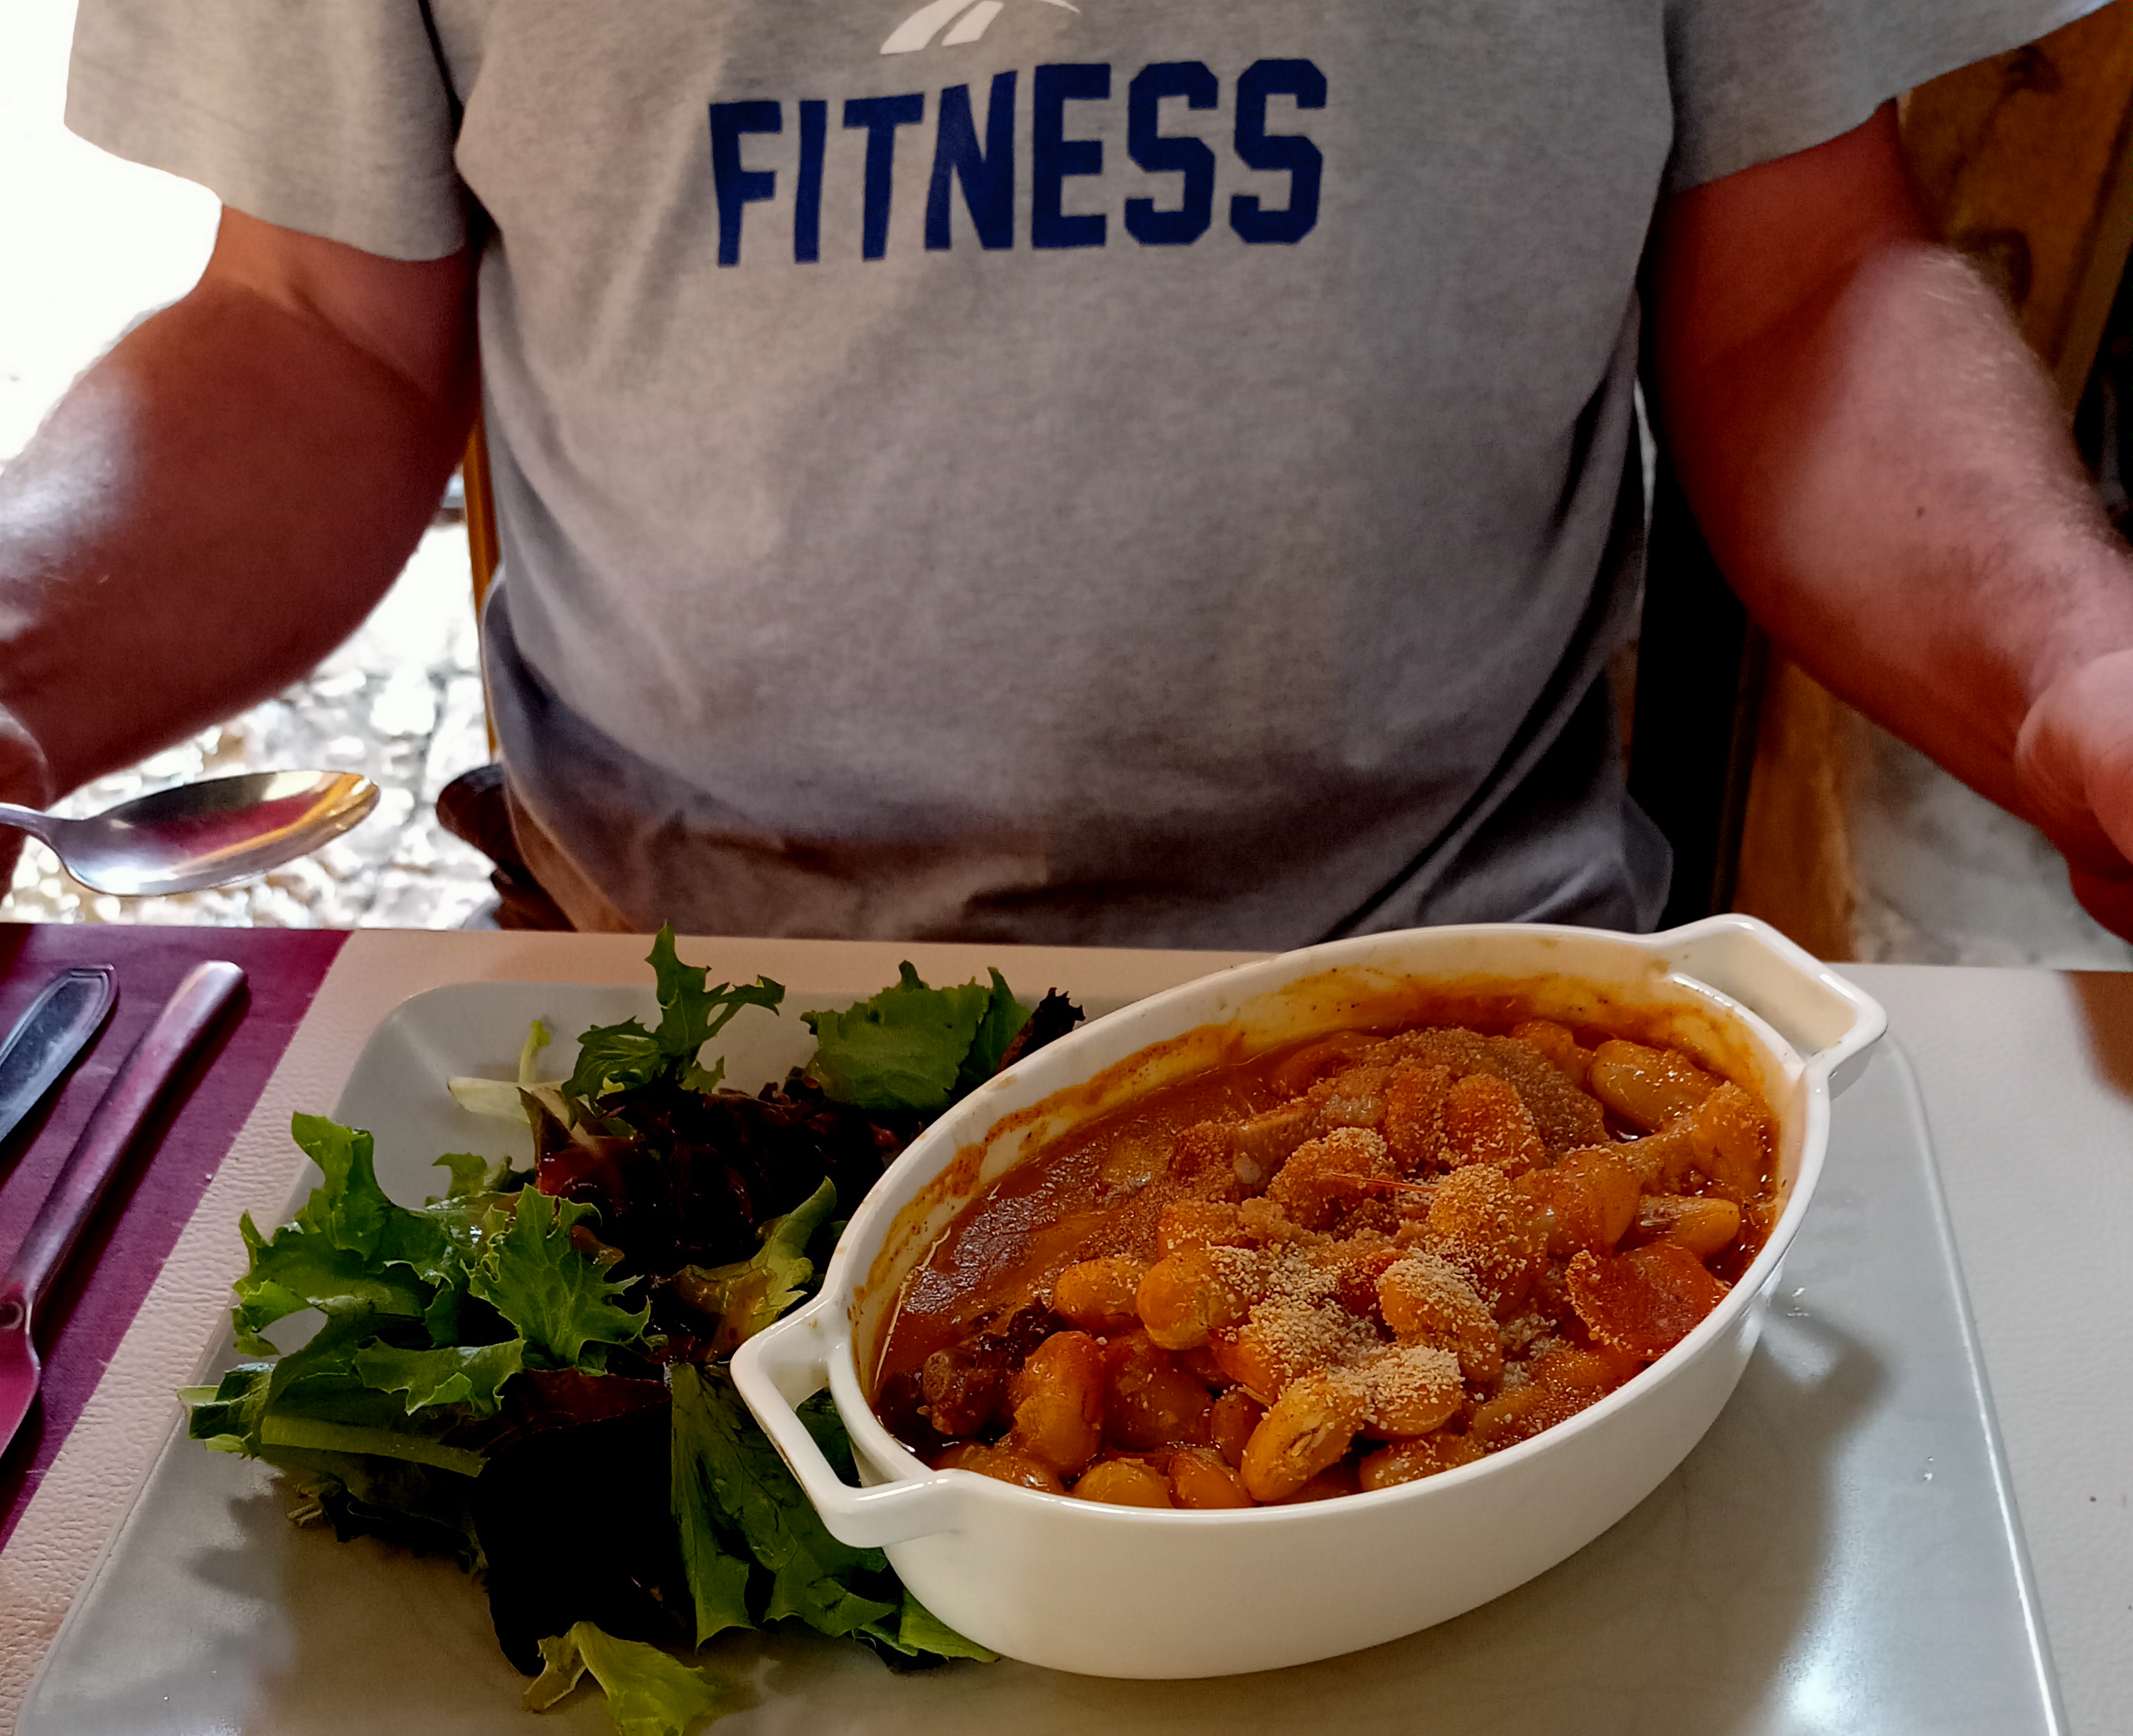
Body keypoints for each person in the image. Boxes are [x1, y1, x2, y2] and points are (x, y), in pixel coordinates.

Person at [4, 0, 2132, 948]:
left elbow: (1801, 292)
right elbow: (313, 327)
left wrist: (2074, 668)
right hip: (662, 1005)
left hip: (1467, 996)